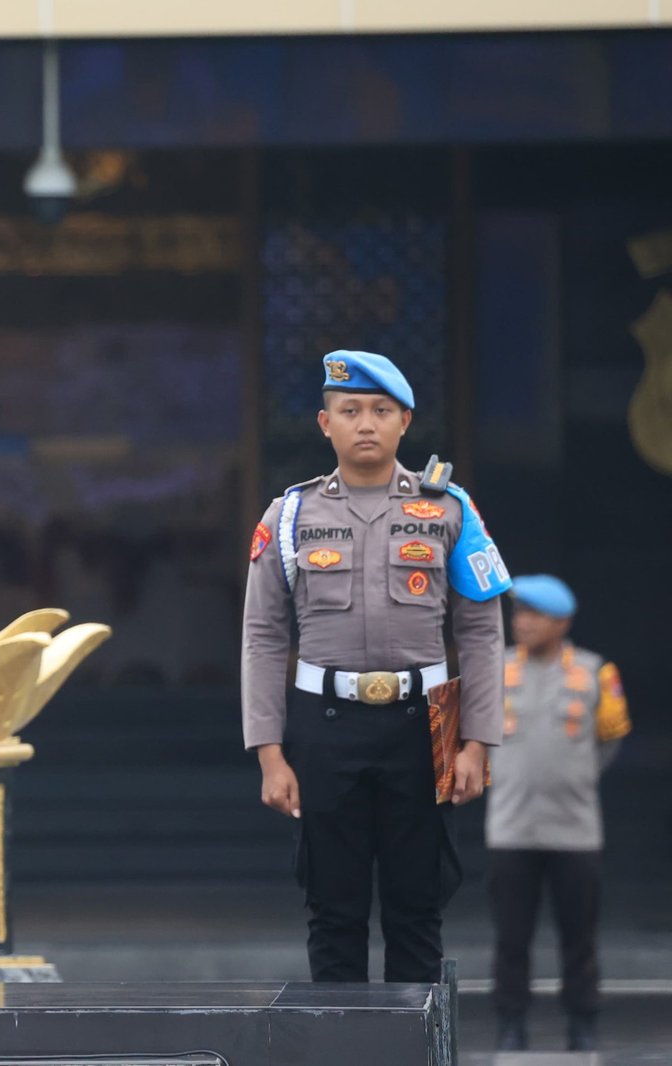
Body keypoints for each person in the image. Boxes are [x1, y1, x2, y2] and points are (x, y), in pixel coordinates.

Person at [241, 350, 511, 984]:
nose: (366, 423)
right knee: (332, 910)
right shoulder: (290, 516)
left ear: (405, 421)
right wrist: (269, 754)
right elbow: (262, 635)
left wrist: (478, 744)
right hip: (324, 724)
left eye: (381, 411)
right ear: (324, 422)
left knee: (418, 908)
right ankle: (341, 1036)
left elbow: (480, 632)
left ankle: (416, 1039)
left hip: (427, 723)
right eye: (350, 410)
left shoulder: (451, 510)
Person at [486, 574, 630, 1052]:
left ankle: (582, 1021)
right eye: (520, 613)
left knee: (579, 936)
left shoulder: (595, 672)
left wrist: (575, 776)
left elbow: (609, 740)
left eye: (535, 615)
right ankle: (511, 1022)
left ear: (562, 622)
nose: (523, 623)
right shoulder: (494, 669)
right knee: (511, 938)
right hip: (510, 829)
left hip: (575, 830)